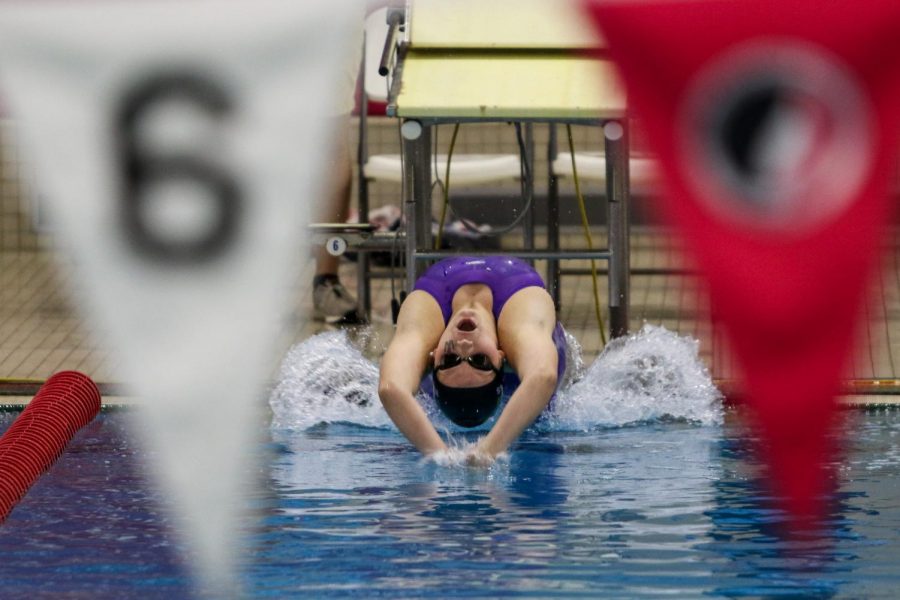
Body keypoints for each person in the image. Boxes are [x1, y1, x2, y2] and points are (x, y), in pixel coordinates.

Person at [378, 256, 569, 465]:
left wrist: (439, 453)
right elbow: (543, 375)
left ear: (433, 358)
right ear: (501, 357)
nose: (465, 346)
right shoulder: (519, 322)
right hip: (532, 363)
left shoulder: (426, 320)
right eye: (480, 360)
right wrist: (490, 451)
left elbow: (390, 388)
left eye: (450, 359)